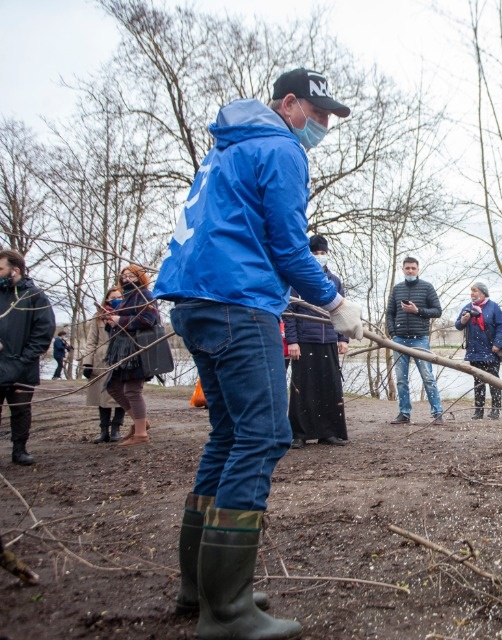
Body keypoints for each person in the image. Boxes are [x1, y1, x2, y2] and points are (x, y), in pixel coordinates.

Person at [154, 68, 362, 639]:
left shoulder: (228, 148)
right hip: (238, 302)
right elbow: (289, 245)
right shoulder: (281, 148)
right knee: (265, 434)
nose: (323, 126)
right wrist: (334, 301)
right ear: (290, 104)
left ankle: (201, 586)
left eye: (330, 118)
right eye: (318, 114)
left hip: (195, 301)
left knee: (228, 433)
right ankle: (227, 613)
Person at [286, 234, 350, 448]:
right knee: (302, 387)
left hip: (329, 340)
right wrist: (292, 341)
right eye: (315, 253)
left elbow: (342, 311)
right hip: (304, 340)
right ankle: (299, 433)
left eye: (323, 253)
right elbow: (289, 311)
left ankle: (328, 431)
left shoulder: (334, 281)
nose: (319, 256)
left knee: (329, 386)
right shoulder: (297, 279)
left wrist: (343, 338)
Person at [0, 249, 56, 466]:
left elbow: (44, 331)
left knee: (21, 409)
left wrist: (25, 359)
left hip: (23, 366)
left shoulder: (34, 296)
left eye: (0, 268)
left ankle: (19, 450)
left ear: (15, 270)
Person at [103, 265, 160, 447]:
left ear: (140, 278)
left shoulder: (144, 295)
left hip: (136, 350)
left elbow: (149, 320)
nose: (126, 279)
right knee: (113, 386)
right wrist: (111, 322)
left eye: (131, 276)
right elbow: (121, 323)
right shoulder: (126, 297)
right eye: (124, 276)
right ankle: (140, 422)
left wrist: (121, 320)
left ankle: (141, 433)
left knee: (132, 390)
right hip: (121, 350)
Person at [385, 257, 444, 425]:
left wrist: (417, 310)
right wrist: (393, 333)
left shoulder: (427, 287)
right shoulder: (397, 289)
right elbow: (390, 313)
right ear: (402, 270)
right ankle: (404, 413)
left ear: (418, 269)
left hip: (420, 340)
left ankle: (437, 412)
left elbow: (437, 311)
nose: (410, 271)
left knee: (428, 377)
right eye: (407, 268)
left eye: (413, 268)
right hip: (399, 340)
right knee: (401, 379)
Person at [455, 282, 502, 420]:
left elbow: (501, 327)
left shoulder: (493, 307)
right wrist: (463, 320)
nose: (472, 293)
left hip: (491, 351)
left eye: (475, 290)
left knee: (494, 380)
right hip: (474, 351)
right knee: (478, 382)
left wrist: (497, 343)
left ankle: (495, 410)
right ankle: (478, 411)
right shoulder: (467, 307)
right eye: (471, 290)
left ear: (483, 293)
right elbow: (458, 325)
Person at [80, 287, 126, 443]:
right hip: (101, 361)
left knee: (121, 396)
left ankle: (116, 429)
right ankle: (103, 430)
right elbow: (91, 340)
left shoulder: (127, 315)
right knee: (102, 397)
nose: (116, 299)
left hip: (122, 359)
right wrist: (87, 362)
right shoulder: (98, 317)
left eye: (119, 296)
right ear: (107, 299)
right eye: (113, 297)